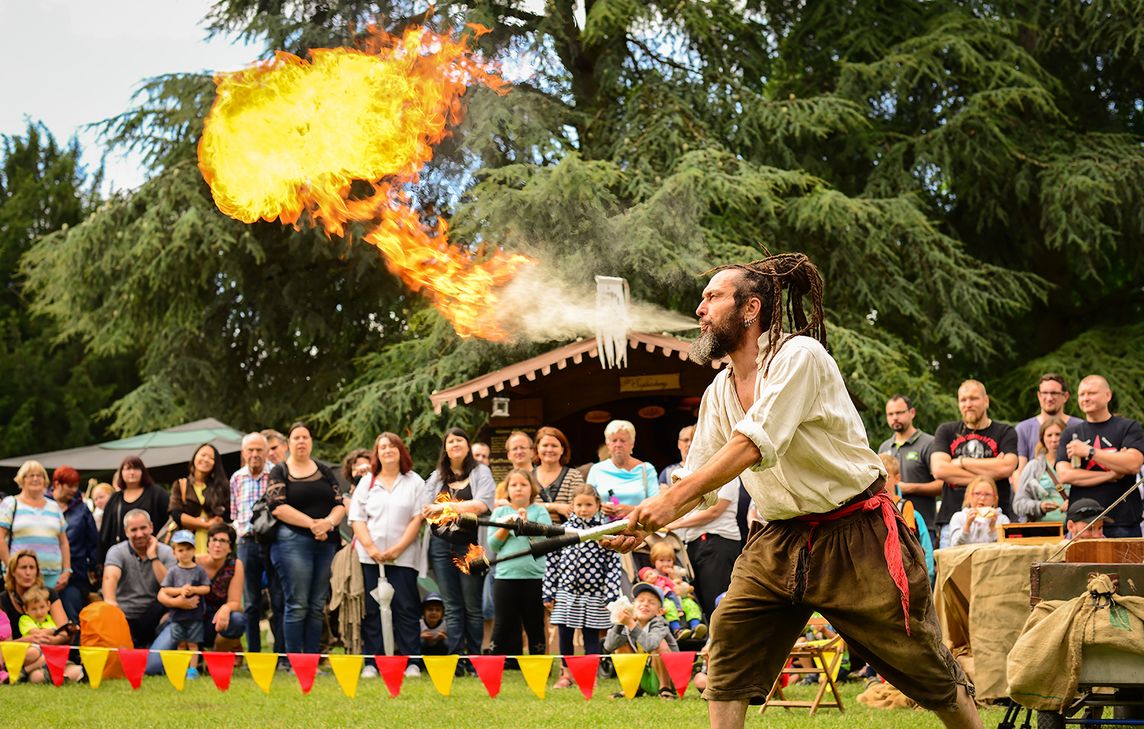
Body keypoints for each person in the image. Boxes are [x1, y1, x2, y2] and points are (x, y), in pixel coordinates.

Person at [608, 254, 978, 728]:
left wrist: (670, 502)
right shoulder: (718, 391)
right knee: (729, 644)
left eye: (713, 297)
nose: (700, 309)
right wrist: (646, 523)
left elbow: (753, 443)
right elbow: (696, 477)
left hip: (856, 533)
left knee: (923, 666)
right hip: (778, 538)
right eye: (702, 299)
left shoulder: (799, 356)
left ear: (750, 309)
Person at [348, 432, 427, 677]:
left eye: (392, 446)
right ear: (377, 453)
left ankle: (411, 661)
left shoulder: (414, 481)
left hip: (403, 557)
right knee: (372, 609)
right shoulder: (368, 481)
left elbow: (418, 518)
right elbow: (357, 518)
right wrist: (371, 548)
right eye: (382, 447)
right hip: (370, 557)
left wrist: (397, 549)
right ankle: (373, 662)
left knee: (406, 607)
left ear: (401, 451)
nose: (388, 450)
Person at [266, 421, 346, 654]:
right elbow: (277, 507)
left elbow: (340, 504)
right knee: (298, 604)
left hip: (325, 545)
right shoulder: (279, 470)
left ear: (311, 442)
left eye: (305, 437)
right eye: (296, 438)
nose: (301, 441)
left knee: (316, 605)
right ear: (288, 444)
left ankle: (311, 658)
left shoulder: (324, 470)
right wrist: (313, 525)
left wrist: (328, 523)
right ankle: (294, 660)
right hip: (292, 543)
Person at [422, 427, 495, 658]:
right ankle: (456, 659)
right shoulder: (436, 477)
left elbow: (482, 504)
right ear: (445, 448)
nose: (455, 444)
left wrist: (445, 507)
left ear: (467, 445)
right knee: (452, 607)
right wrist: (457, 508)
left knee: (472, 607)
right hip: (441, 546)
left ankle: (474, 659)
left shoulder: (481, 472)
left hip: (472, 546)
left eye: (460, 440)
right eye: (450, 441)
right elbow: (426, 510)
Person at [544, 483, 621, 688]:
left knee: (591, 636)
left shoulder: (606, 531)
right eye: (579, 504)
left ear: (597, 505)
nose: (583, 509)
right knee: (565, 634)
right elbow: (552, 561)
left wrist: (611, 595)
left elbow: (613, 565)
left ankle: (589, 675)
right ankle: (566, 674)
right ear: (572, 505)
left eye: (588, 504)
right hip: (566, 592)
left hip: (594, 593)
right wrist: (549, 591)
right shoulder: (564, 530)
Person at [931, 380, 1019, 548]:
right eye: (963, 400)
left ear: (986, 401)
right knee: (952, 573)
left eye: (973, 399)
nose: (968, 404)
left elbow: (1007, 467)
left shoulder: (1005, 432)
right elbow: (939, 469)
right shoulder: (947, 431)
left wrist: (961, 462)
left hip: (995, 520)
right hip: (953, 521)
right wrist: (991, 473)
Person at [1055, 375, 1144, 538]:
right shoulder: (1071, 433)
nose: (1085, 398)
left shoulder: (1129, 427)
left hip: (1123, 521)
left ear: (1108, 395)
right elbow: (1065, 475)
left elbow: (1133, 464)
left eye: (1091, 393)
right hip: (1081, 524)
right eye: (1081, 394)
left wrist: (1089, 452)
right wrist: (1112, 473)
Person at [102, 509, 181, 674]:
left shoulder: (166, 552)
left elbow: (170, 587)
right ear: (126, 532)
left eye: (143, 528)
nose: (139, 534)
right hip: (126, 619)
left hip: (158, 618)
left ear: (151, 527)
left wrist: (153, 556)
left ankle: (157, 651)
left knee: (151, 668)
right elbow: (110, 577)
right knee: (124, 665)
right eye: (133, 530)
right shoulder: (117, 552)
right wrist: (110, 602)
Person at [487, 468, 551, 656]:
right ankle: (495, 662)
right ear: (507, 490)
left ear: (531, 489)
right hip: (506, 577)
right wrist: (507, 526)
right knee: (503, 622)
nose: (518, 489)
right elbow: (494, 545)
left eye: (523, 484)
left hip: (534, 577)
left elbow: (544, 542)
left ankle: (539, 663)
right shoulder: (500, 512)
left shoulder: (540, 511)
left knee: (534, 623)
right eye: (513, 485)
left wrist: (525, 526)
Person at [229, 431, 281, 653]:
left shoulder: (277, 474)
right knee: (251, 603)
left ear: (267, 452)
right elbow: (234, 512)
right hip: (246, 544)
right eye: (250, 450)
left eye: (259, 449)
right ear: (243, 452)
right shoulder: (236, 478)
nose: (255, 454)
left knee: (279, 600)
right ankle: (254, 655)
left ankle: (281, 655)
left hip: (273, 542)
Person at [664, 474, 741, 621]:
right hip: (693, 544)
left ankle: (722, 642)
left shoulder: (728, 474)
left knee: (717, 600)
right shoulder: (697, 475)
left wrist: (675, 525)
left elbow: (714, 511)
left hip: (718, 541)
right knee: (701, 603)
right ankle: (710, 641)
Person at [1, 550, 75, 683]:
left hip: (50, 650)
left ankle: (31, 673)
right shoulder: (3, 600)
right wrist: (28, 639)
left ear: (37, 571)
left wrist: (51, 641)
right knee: (34, 661)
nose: (28, 573)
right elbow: (4, 645)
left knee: (67, 674)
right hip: (21, 655)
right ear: (12, 572)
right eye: (23, 568)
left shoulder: (49, 594)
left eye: (32, 568)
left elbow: (64, 631)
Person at [878, 395, 941, 542]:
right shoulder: (884, 447)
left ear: (912, 412)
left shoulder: (929, 443)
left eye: (899, 413)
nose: (894, 417)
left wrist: (908, 488)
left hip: (922, 526)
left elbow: (943, 485)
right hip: (890, 528)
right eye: (890, 414)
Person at [0, 461, 71, 590]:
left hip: (52, 577)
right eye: (30, 475)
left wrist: (66, 570)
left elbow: (64, 542)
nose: (35, 478)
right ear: (22, 480)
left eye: (40, 475)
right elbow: (0, 538)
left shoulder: (54, 506)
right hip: (21, 576)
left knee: (48, 610)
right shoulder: (10, 503)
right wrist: (11, 569)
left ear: (45, 480)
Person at [603, 582, 679, 699]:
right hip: (644, 675)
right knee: (620, 646)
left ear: (659, 612)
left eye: (651, 602)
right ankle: (634, 688)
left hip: (663, 676)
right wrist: (620, 624)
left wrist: (631, 624)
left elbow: (651, 645)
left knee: (660, 645)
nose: (645, 604)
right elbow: (609, 646)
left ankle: (666, 688)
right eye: (641, 600)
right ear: (633, 606)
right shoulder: (629, 623)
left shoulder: (660, 624)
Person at [49, 466, 99, 621]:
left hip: (75, 575)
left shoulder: (82, 509)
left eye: (76, 486)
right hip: (45, 572)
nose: (74, 490)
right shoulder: (43, 505)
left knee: (71, 615)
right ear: (57, 484)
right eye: (69, 485)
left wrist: (93, 568)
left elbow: (93, 542)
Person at [98, 455, 169, 564]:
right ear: (121, 472)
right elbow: (106, 531)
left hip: (152, 553)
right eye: (127, 469)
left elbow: (169, 521)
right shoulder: (115, 498)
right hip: (122, 557)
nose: (132, 472)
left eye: (136, 468)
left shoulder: (156, 493)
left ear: (143, 471)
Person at [159, 530, 211, 678]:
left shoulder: (199, 571)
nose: (185, 553)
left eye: (188, 549)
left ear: (194, 550)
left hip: (195, 616)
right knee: (181, 644)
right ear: (174, 553)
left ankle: (193, 670)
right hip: (177, 616)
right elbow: (166, 589)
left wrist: (193, 589)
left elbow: (206, 588)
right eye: (181, 550)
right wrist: (180, 591)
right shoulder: (173, 572)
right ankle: (181, 667)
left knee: (193, 644)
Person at [1014, 374, 1082, 484]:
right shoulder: (1023, 429)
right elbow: (1019, 471)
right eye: (1045, 393)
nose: (1049, 398)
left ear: (1065, 396)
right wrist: (1022, 499)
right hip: (1035, 494)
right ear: (1039, 396)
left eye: (1054, 393)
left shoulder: (1079, 427)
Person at [587, 420, 659, 519]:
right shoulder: (596, 469)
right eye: (614, 440)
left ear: (632, 444)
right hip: (602, 529)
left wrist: (633, 509)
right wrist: (599, 508)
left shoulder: (646, 469)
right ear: (608, 445)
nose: (618, 444)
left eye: (623, 440)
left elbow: (656, 504)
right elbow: (585, 501)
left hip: (638, 528)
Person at [879, 454, 934, 579]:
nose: (880, 480)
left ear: (897, 478)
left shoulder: (905, 507)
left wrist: (928, 574)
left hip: (907, 570)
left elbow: (909, 540)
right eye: (876, 475)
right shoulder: (871, 507)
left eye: (885, 475)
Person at [169, 443, 231, 555]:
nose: (206, 459)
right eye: (203, 455)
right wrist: (206, 525)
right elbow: (176, 515)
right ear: (194, 457)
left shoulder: (221, 487)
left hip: (214, 543)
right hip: (187, 543)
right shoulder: (181, 484)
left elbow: (227, 515)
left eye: (211, 458)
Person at [195, 522, 247, 651]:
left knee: (237, 620)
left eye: (223, 541)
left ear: (230, 548)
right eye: (214, 540)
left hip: (218, 620)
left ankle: (216, 655)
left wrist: (226, 608)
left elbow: (235, 602)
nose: (217, 545)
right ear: (208, 544)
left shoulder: (235, 565)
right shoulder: (194, 561)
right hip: (193, 618)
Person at [637, 542, 705, 640]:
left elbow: (681, 583)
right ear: (654, 561)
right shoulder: (652, 574)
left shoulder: (675, 572)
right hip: (665, 599)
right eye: (661, 560)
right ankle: (677, 630)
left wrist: (674, 576)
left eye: (669, 560)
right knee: (669, 607)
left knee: (691, 604)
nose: (665, 563)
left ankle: (696, 627)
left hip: (680, 597)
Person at [1013, 417, 1070, 523]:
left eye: (1058, 434)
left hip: (1072, 531)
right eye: (1049, 435)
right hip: (1041, 530)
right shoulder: (1033, 467)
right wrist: (1039, 506)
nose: (1054, 439)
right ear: (1042, 439)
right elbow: (1018, 504)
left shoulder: (1076, 464)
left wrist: (1074, 504)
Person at [532, 426, 585, 522]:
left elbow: (577, 511)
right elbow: (522, 508)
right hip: (532, 535)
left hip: (566, 534)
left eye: (554, 446)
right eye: (545, 445)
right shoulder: (528, 477)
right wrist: (557, 507)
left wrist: (537, 510)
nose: (549, 449)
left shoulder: (574, 476)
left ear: (562, 450)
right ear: (537, 449)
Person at [947, 477, 1010, 547]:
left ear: (994, 499)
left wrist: (993, 529)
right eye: (977, 494)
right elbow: (954, 545)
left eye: (987, 494)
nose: (982, 498)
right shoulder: (959, 517)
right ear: (969, 496)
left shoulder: (1002, 519)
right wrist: (967, 526)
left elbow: (1005, 548)